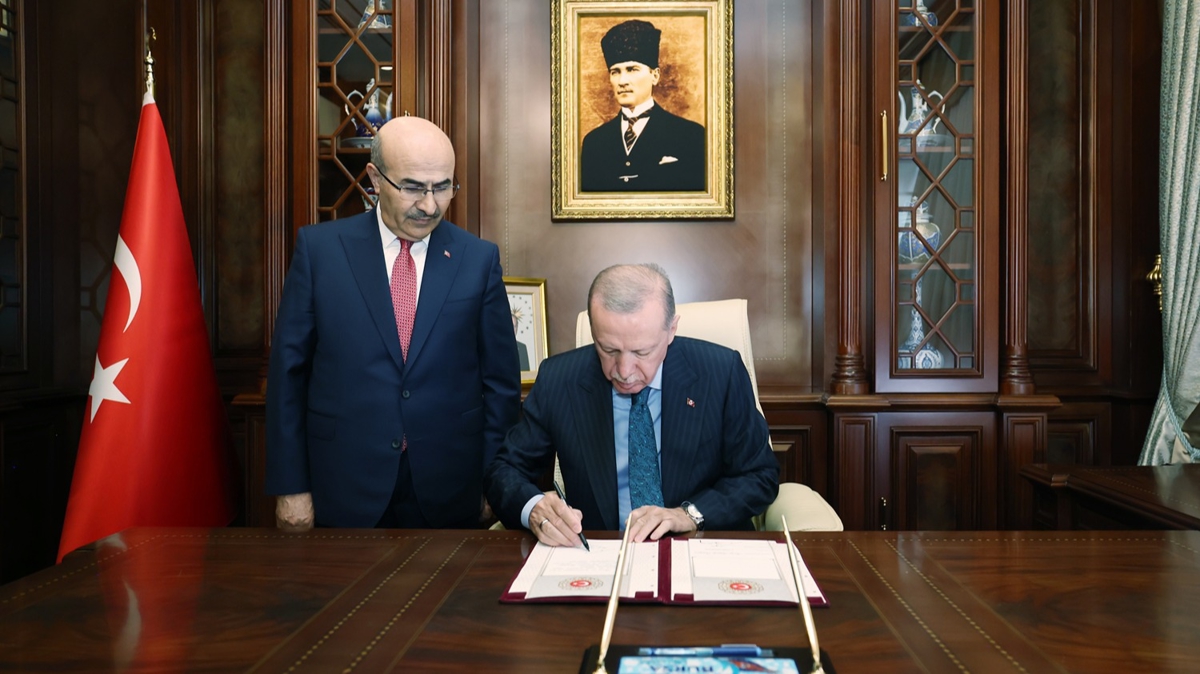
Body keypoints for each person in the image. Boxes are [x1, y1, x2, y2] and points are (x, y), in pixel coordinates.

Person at [267, 116, 521, 531]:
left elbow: (501, 385)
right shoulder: (321, 252)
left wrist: (495, 482)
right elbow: (288, 377)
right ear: (374, 178)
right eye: (413, 187)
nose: (430, 205)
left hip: (449, 488)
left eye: (443, 187)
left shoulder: (478, 260)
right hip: (343, 484)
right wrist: (290, 486)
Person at [485, 264, 778, 545]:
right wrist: (534, 508)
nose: (624, 371)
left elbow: (759, 476)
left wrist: (689, 515)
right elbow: (504, 469)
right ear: (594, 331)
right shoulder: (559, 380)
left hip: (699, 550)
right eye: (609, 349)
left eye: (642, 352)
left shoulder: (720, 373)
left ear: (671, 330)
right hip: (600, 553)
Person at [580, 20, 707, 193]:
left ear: (655, 75)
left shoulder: (691, 136)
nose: (622, 81)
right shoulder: (594, 143)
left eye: (632, 69)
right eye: (615, 72)